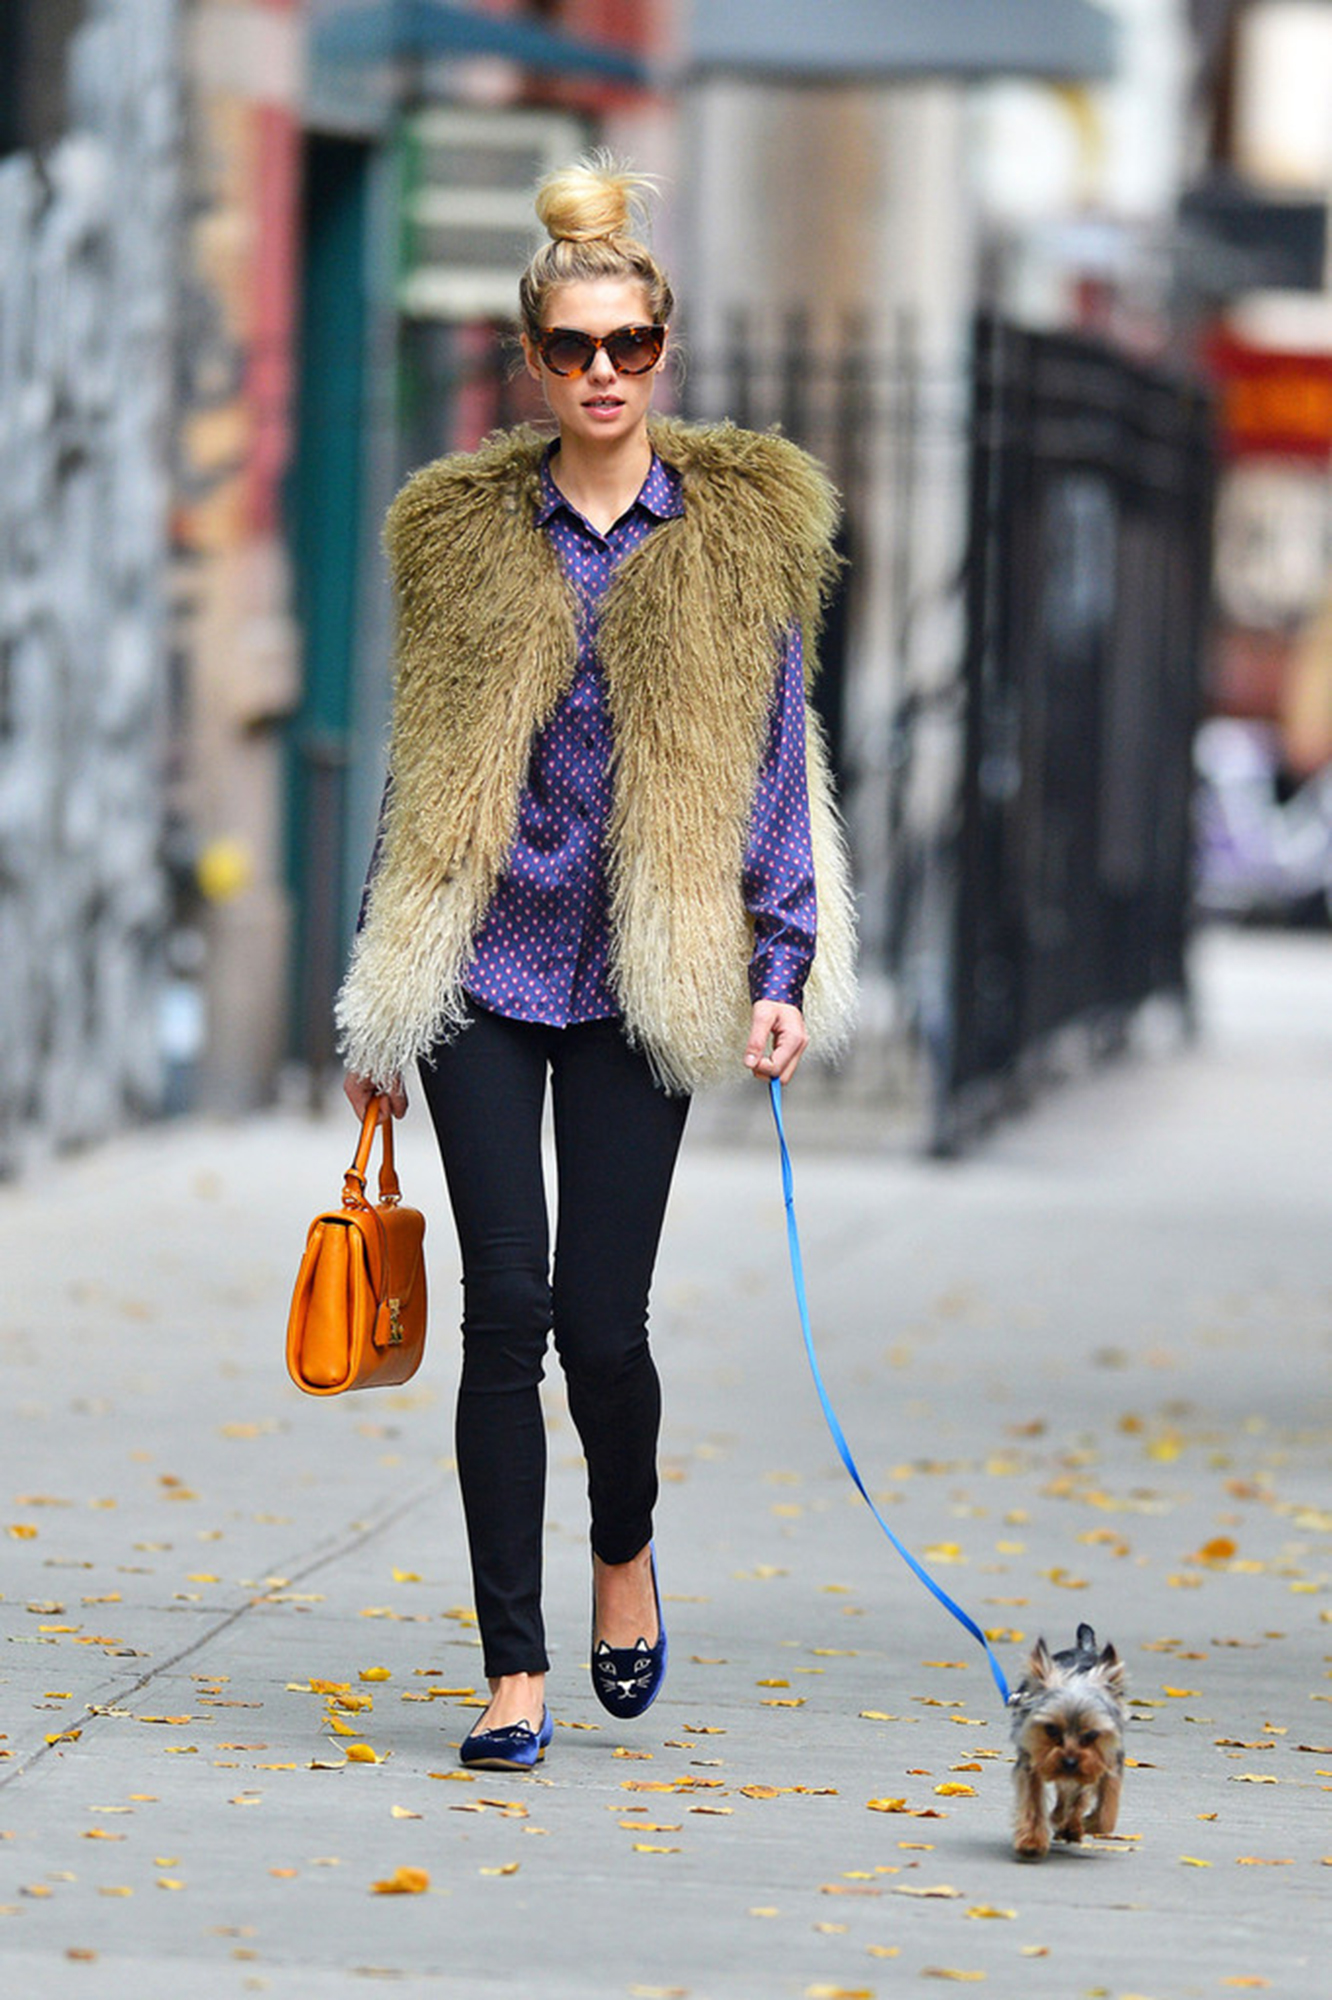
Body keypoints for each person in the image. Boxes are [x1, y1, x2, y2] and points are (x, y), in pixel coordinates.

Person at [337, 156, 856, 1771]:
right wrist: (376, 996)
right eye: (573, 348)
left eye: (629, 344)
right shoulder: (465, 537)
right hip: (481, 970)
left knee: (601, 1327)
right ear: (532, 361)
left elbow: (776, 765)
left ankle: (623, 1545)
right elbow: (425, 770)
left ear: (664, 350)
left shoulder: (737, 539)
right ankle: (514, 1671)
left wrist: (783, 964)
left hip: (649, 969)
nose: (604, 373)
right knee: (504, 1311)